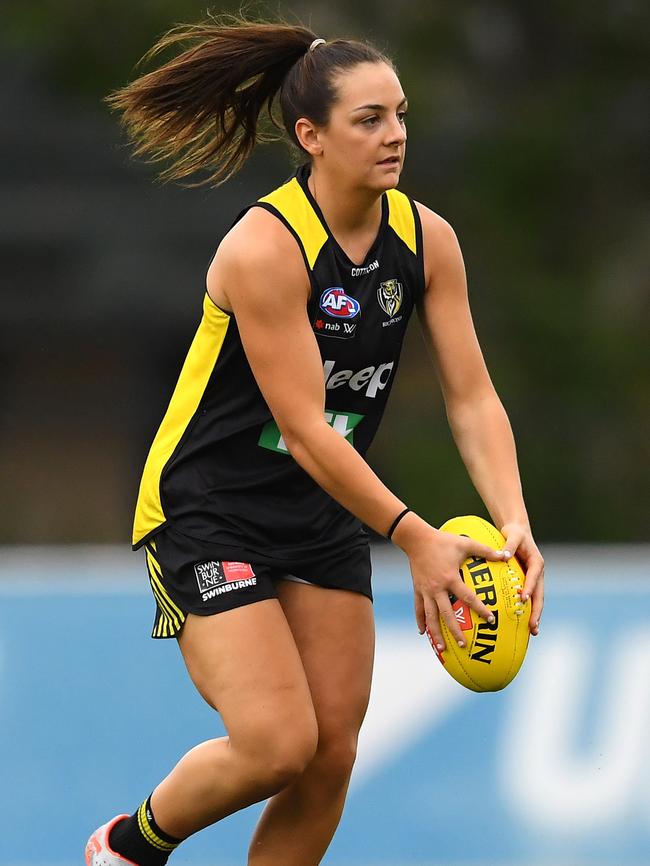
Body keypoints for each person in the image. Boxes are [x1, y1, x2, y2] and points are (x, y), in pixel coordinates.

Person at [85, 16, 544, 866]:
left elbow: (472, 396)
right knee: (275, 744)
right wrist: (414, 536)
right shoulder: (266, 249)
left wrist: (511, 518)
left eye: (400, 113)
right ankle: (128, 848)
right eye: (369, 118)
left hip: (323, 512)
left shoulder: (426, 239)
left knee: (330, 757)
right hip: (209, 510)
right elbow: (301, 428)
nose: (395, 134)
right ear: (311, 136)